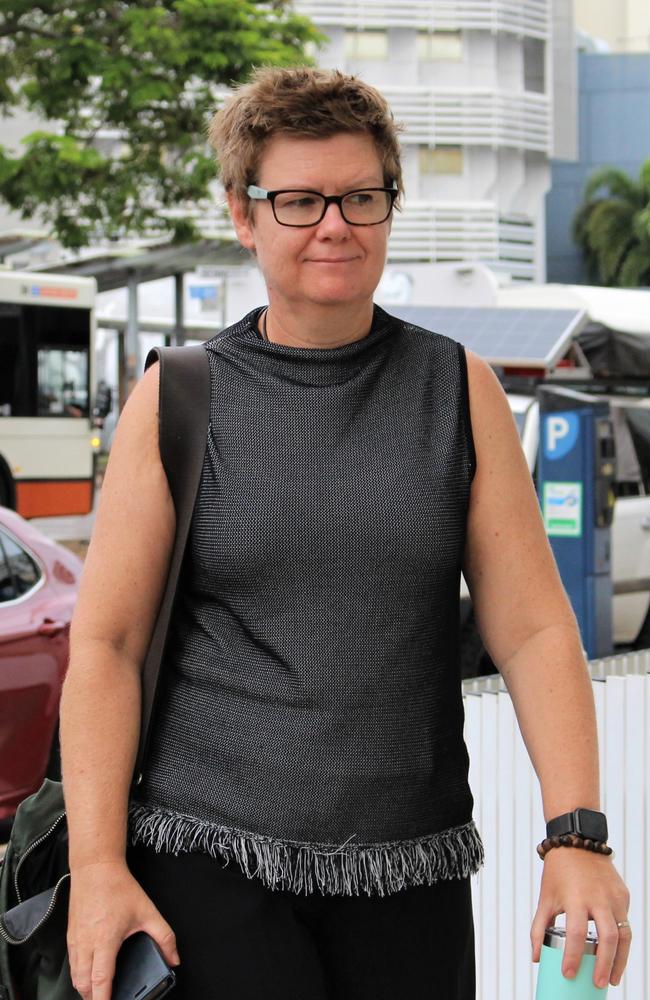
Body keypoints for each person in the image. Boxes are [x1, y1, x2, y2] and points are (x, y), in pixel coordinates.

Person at [59, 66, 631, 1000]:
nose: (335, 224)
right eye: (299, 200)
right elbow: (109, 644)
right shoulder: (178, 397)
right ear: (245, 216)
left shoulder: (460, 391)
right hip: (209, 865)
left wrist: (577, 834)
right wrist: (98, 870)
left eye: (362, 196)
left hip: (413, 874)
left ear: (389, 206)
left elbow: (532, 629)